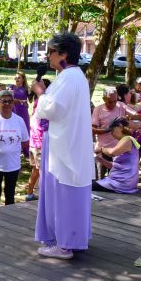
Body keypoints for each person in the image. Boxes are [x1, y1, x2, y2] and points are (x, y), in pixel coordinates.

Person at [34, 32, 94, 260]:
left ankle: (64, 243)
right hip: (66, 141)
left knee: (63, 191)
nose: (48, 56)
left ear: (64, 54)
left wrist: (40, 93)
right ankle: (71, 239)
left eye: (51, 51)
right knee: (67, 191)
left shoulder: (70, 77)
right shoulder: (73, 76)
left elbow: (54, 108)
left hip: (64, 144)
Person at [93, 117, 140, 194]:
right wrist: (100, 159)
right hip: (122, 182)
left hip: (121, 183)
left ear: (120, 127)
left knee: (88, 186)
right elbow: (116, 166)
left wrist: (101, 149)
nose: (111, 134)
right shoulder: (125, 141)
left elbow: (112, 152)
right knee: (92, 185)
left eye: (112, 130)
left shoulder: (127, 139)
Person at [25, 79, 49, 201]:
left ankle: (30, 193)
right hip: (39, 142)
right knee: (42, 171)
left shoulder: (37, 102)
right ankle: (42, 196)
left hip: (34, 142)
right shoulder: (42, 102)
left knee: (36, 170)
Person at [10, 71, 31, 136]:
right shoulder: (12, 87)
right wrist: (19, 101)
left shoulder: (26, 88)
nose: (16, 79)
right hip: (13, 110)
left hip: (23, 111)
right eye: (15, 78)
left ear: (23, 79)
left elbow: (30, 100)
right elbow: (10, 99)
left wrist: (32, 92)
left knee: (24, 128)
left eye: (19, 78)